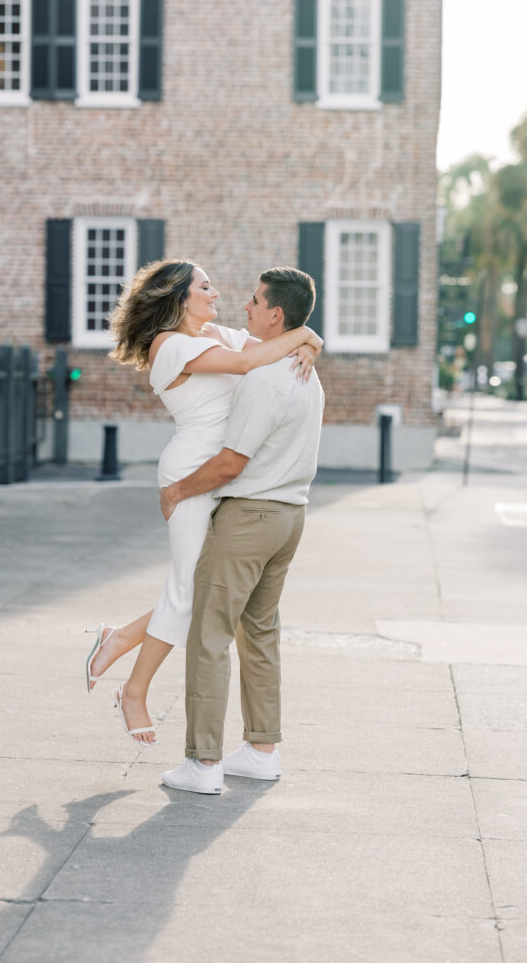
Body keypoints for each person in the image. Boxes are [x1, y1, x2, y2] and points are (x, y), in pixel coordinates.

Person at [84, 259, 322, 746]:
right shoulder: (168, 346)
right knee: (191, 588)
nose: (216, 294)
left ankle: (122, 639)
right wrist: (307, 338)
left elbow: (276, 345)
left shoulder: (220, 334)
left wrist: (310, 340)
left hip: (224, 476)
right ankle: (134, 689)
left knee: (201, 588)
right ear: (178, 297)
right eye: (205, 287)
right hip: (191, 472)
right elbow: (248, 362)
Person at [158, 266, 325, 795]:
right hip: (291, 516)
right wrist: (311, 340)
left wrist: (179, 489)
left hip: (250, 517)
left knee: (208, 636)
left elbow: (230, 464)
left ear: (276, 314)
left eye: (255, 302)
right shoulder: (307, 371)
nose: (245, 308)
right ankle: (261, 751)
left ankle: (203, 763)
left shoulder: (264, 377)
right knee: (259, 633)